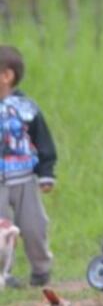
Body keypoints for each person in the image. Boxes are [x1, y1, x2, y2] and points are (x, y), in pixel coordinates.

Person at [0, 45, 57, 289]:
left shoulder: (26, 108)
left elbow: (42, 139)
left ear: (6, 76)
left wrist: (46, 172)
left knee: (35, 226)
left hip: (25, 178)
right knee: (2, 232)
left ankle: (41, 268)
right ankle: (5, 274)